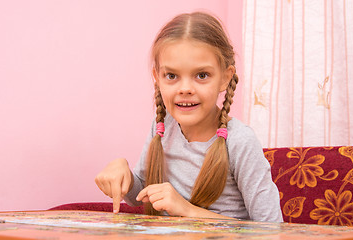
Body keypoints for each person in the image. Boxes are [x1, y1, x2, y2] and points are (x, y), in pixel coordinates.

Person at [95, 11, 283, 222]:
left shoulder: (240, 142)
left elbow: (271, 229)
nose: (185, 89)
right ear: (157, 78)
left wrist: (187, 210)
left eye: (202, 75)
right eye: (172, 76)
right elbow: (142, 194)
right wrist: (125, 176)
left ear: (225, 78)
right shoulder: (162, 127)